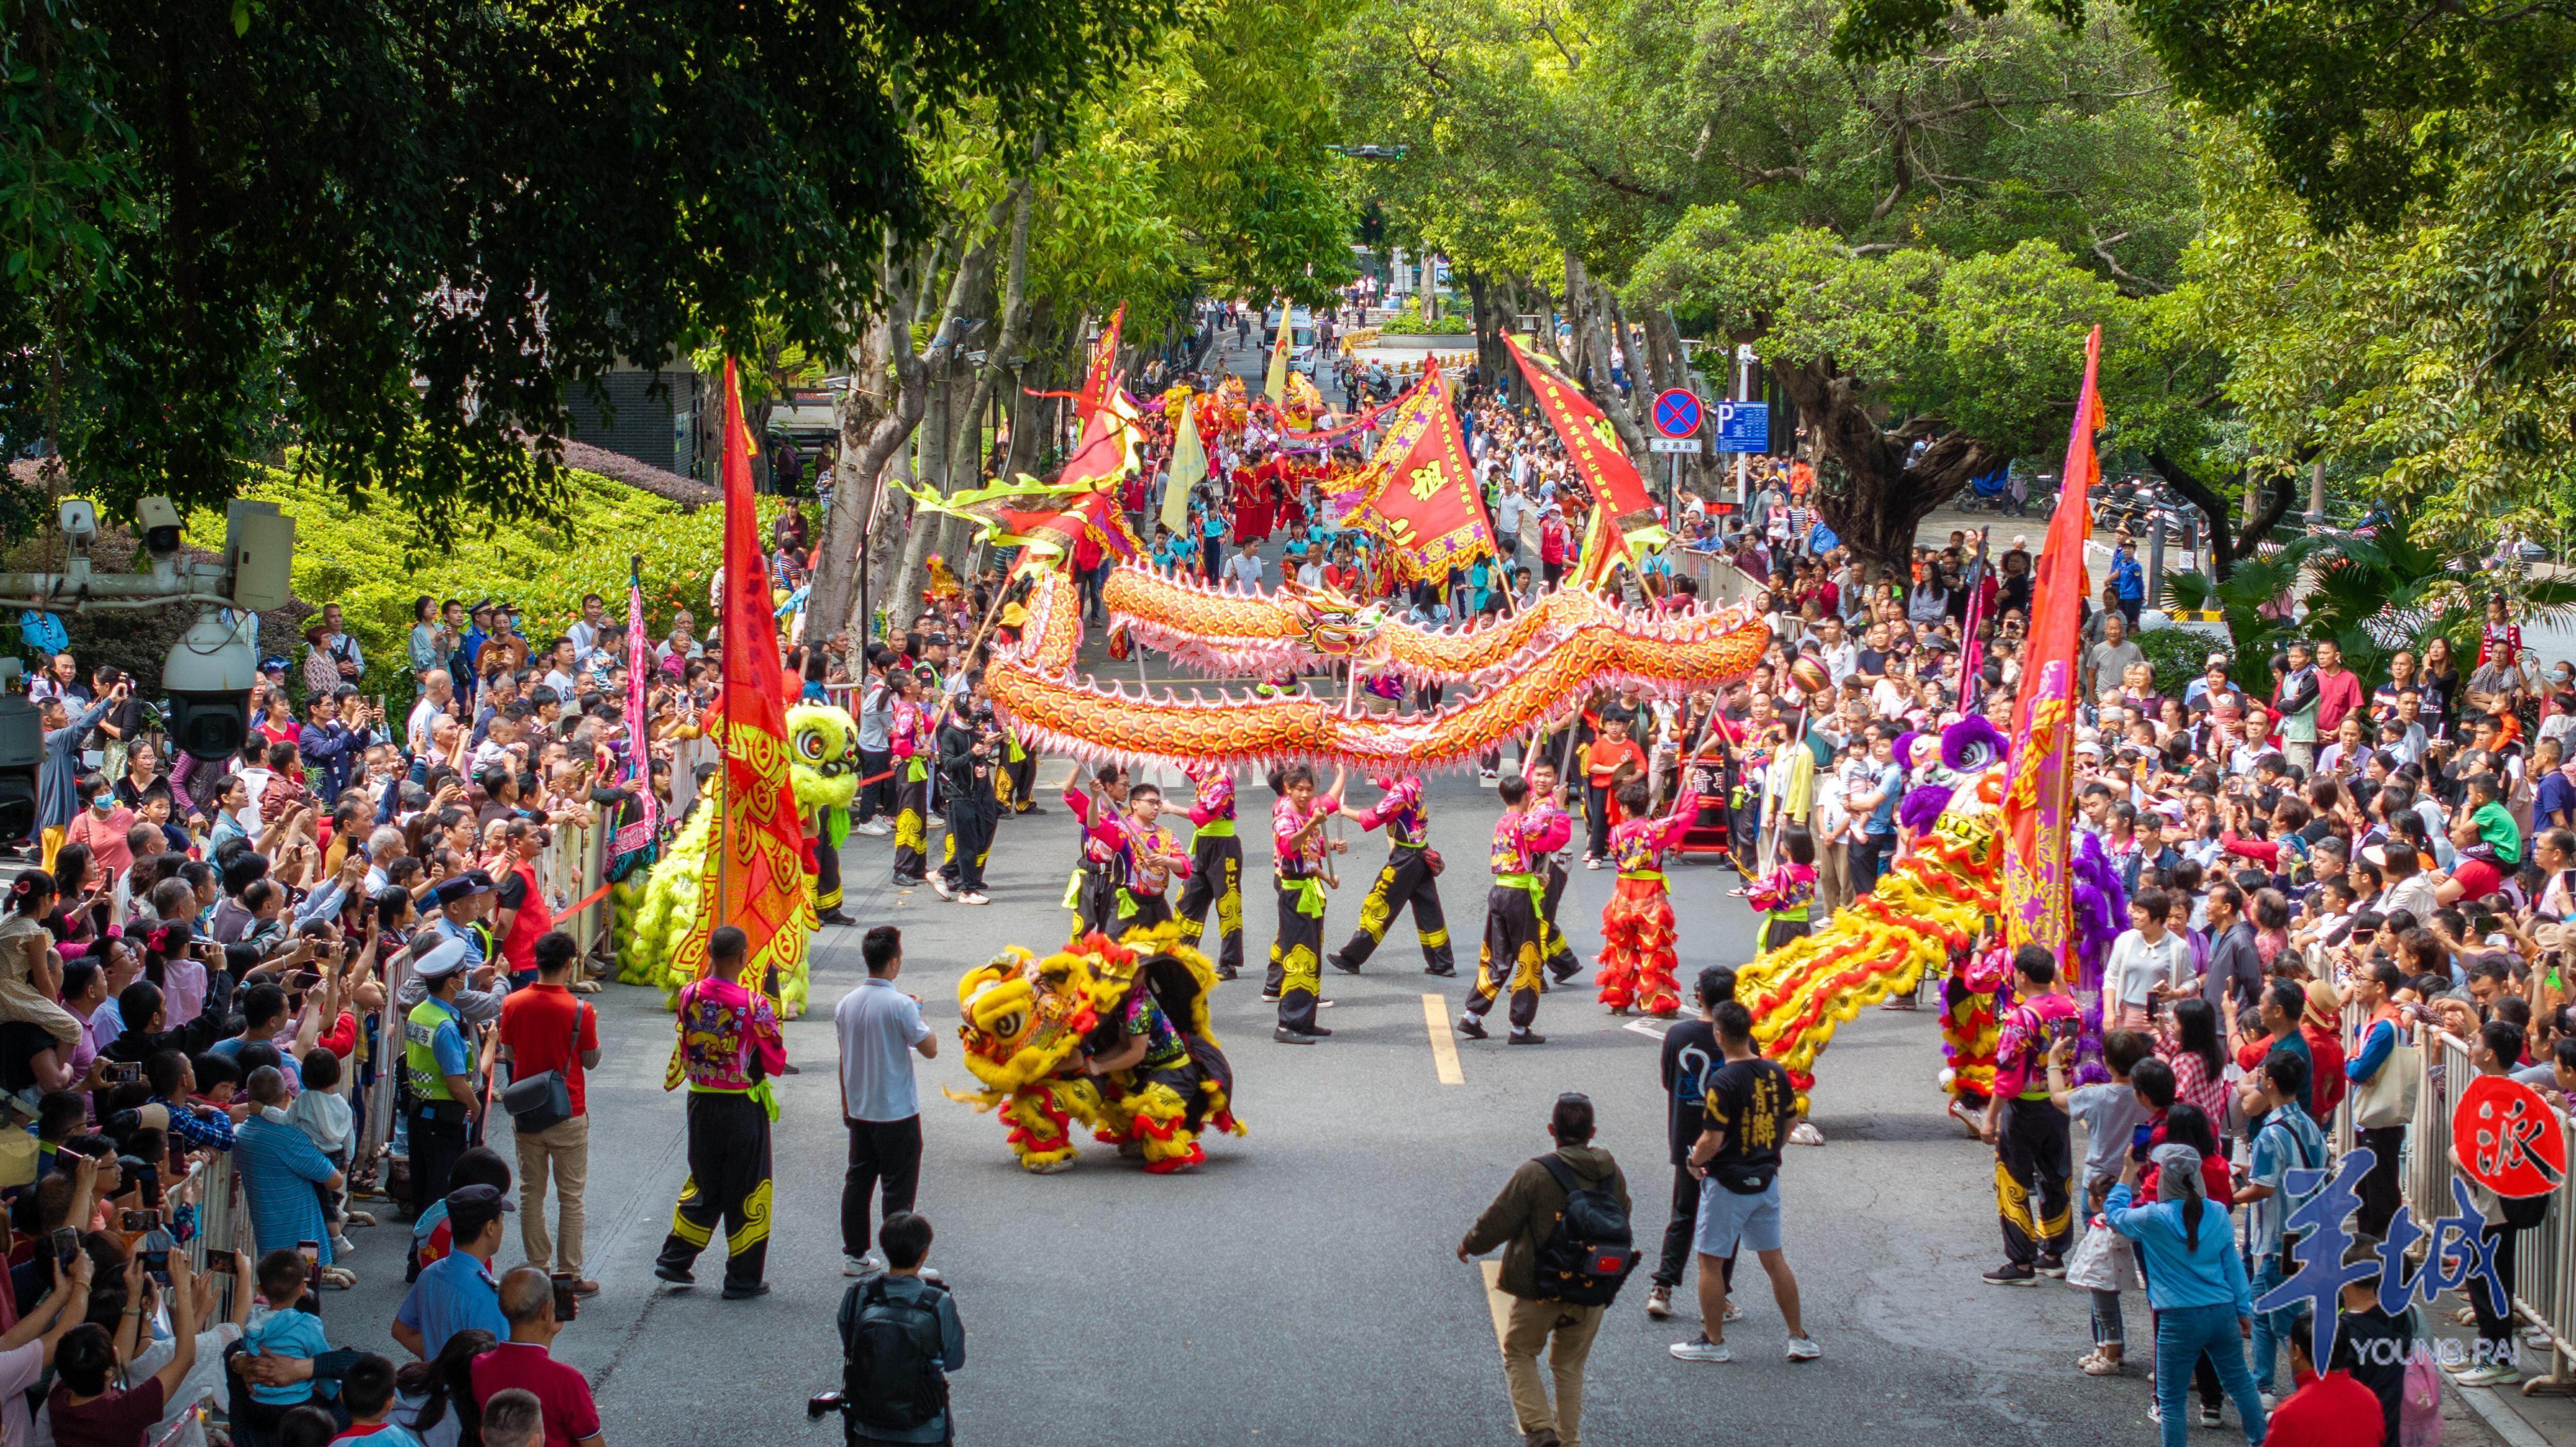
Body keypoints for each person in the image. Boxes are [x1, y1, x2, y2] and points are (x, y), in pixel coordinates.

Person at [1456, 1093, 1629, 1447]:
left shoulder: (1536, 1173)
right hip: (1592, 1288)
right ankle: (1569, 1440)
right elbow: (1622, 1217)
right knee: (1569, 1367)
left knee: (1520, 1351)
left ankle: (1539, 1429)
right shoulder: (1612, 1173)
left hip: (1541, 1287)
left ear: (1552, 1130)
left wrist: (1470, 1245)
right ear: (1592, 1132)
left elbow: (1498, 1221)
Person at [1670, 1000, 1819, 1364]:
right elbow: (1789, 1121)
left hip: (1728, 1185)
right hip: (1766, 1182)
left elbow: (1712, 1140)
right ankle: (1798, 1338)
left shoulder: (1722, 1081)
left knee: (1710, 1262)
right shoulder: (1775, 1072)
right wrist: (1767, 1153)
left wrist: (1693, 1161)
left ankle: (1714, 1341)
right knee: (1775, 1260)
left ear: (1719, 1036)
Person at [2106, 1143, 2269, 1447]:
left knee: (2171, 1400)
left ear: (2164, 1178)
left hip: (2177, 1317)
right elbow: (2233, 1268)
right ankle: (2261, 1441)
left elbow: (2113, 1215)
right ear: (2198, 1177)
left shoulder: (2152, 1218)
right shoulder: (2219, 1213)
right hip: (2221, 1311)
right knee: (2241, 1383)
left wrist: (2129, 1170)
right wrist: (2242, 1310)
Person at [654, 926, 785, 1299]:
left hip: (700, 1101)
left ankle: (675, 1259)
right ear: (744, 957)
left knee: (705, 1180)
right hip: (741, 1105)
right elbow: (775, 1059)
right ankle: (742, 1278)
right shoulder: (755, 1004)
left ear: (708, 950)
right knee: (748, 1187)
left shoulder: (688, 994)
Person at [496, 931, 599, 1297]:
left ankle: (538, 1269)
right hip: (568, 1109)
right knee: (571, 1196)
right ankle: (570, 1274)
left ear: (536, 960)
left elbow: (508, 1053)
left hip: (527, 1111)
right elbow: (590, 1061)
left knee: (531, 1193)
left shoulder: (512, 1003)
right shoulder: (580, 1010)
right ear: (570, 963)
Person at [835, 927, 935, 1281]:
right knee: (898, 1189)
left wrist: (847, 1104)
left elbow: (844, 1057)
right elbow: (930, 1049)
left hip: (861, 1109)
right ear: (893, 963)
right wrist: (918, 1013)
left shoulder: (846, 1003)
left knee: (858, 1182)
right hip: (897, 1112)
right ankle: (902, 1263)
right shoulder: (901, 1005)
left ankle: (855, 1255)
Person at [1981, 946, 2079, 1285]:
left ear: (2021, 976)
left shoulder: (2021, 1018)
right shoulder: (2071, 1009)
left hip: (2024, 1108)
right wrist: (2060, 982)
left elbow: (2007, 1076)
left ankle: (2021, 1262)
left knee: (2014, 1179)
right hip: (2060, 1104)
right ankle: (2054, 1254)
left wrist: (1990, 1118)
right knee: (2057, 1176)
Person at [1645, 966, 1736, 1323]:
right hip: (1727, 1144)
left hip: (1686, 1139)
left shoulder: (1678, 1035)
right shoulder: (1741, 1037)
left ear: (1699, 995)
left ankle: (1662, 1288)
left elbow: (1669, 1082)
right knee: (1725, 1220)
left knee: (1683, 1214)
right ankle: (1721, 1298)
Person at [836, 1212, 963, 1446]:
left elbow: (850, 1344)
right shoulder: (938, 1302)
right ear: (924, 1254)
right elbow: (954, 1361)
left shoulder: (858, 1295)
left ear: (885, 1250)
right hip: (926, 1428)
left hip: (868, 1425)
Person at [47, 1253, 197, 1447]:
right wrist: (183, 1290)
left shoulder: (60, 1400)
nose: (117, 1349)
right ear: (110, 1370)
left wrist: (133, 1299)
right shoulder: (125, 1412)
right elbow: (185, 1359)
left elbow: (118, 1357)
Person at [1460, 773, 1560, 1046]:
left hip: (1500, 892)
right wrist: (1558, 806)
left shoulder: (1503, 822)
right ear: (1526, 797)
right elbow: (1549, 833)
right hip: (1518, 897)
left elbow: (1519, 859)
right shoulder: (1525, 822)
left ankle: (1472, 1015)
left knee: (1498, 958)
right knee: (1528, 958)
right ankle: (1519, 1026)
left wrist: (1535, 876)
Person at [1326, 773, 1453, 978]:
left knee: (1378, 903)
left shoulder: (1400, 793)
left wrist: (1344, 811)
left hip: (1406, 860)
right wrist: (1372, 775)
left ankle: (1352, 958)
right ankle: (1443, 962)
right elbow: (1392, 785)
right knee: (1429, 911)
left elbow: (1373, 817)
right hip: (1420, 854)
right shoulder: (1413, 781)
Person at [470, 1268, 606, 1447]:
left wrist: (548, 1330)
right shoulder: (568, 1381)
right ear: (547, 1309)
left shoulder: (480, 1366)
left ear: (502, 1308)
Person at [1593, 781, 1694, 1016]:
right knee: (1654, 950)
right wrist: (1689, 787)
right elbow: (1688, 816)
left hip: (1623, 893)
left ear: (1626, 809)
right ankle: (1659, 1003)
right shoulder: (1656, 829)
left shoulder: (1615, 832)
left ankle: (1618, 1001)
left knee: (1621, 948)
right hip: (1651, 894)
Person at [1266, 765, 1346, 1046]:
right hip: (1294, 895)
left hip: (1311, 889)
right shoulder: (1285, 816)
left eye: (1309, 790)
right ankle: (1288, 1024)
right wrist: (1312, 823)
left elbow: (1312, 848)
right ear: (1288, 788)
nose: (1304, 794)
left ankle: (1305, 1020)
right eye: (1299, 789)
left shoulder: (1305, 814)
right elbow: (1289, 847)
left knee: (1312, 957)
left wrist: (1331, 848)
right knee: (1298, 959)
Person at [402, 940, 481, 1215]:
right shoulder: (445, 1026)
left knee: (423, 1189)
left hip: (419, 1113)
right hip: (443, 1120)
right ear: (452, 984)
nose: (466, 978)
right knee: (441, 1196)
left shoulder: (419, 1012)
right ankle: (433, 1253)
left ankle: (419, 1254)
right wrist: (476, 1104)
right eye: (462, 975)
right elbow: (456, 1083)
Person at [394, 1185, 513, 1360]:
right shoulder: (488, 1297)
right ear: (490, 1228)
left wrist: (439, 1365)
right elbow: (500, 1365)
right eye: (501, 1220)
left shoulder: (430, 1274)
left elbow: (401, 1331)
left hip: (435, 1384)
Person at [1171, 763, 1245, 980]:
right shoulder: (1204, 773)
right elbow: (1184, 762)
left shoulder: (1223, 780)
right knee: (1188, 899)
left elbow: (1205, 814)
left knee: (1228, 903)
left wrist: (1172, 808)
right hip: (1203, 846)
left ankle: (1229, 963)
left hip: (1224, 848)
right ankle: (1182, 955)